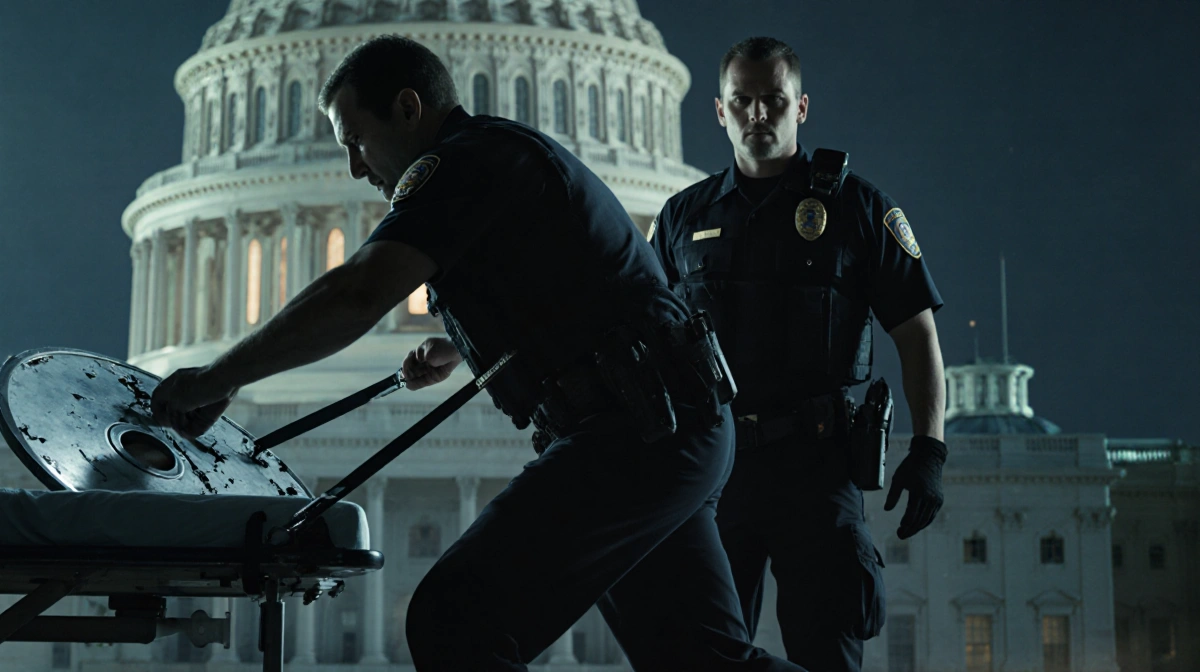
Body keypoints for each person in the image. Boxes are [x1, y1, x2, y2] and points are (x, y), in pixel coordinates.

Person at [151, 35, 810, 672]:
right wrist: (467, 346)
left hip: (635, 428)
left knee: (453, 618)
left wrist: (218, 377)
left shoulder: (459, 165)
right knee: (700, 661)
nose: (355, 167)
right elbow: (576, 293)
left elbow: (358, 292)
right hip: (666, 421)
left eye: (356, 141)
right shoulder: (497, 158)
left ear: (409, 109)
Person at [649, 37, 948, 672]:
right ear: (720, 111)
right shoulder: (680, 217)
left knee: (830, 652)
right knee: (699, 655)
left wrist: (929, 450)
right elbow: (635, 328)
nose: (758, 114)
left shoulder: (859, 209)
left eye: (773, 100)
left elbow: (916, 334)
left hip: (817, 468)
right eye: (744, 101)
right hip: (714, 468)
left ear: (801, 107)